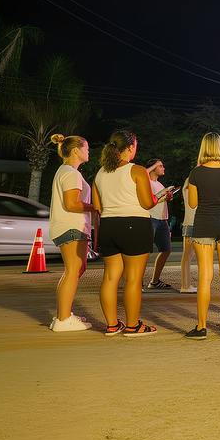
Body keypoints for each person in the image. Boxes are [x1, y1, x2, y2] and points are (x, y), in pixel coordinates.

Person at [92, 129, 159, 337]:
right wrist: (158, 198)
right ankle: (132, 325)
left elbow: (97, 206)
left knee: (110, 278)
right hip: (134, 226)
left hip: (108, 226)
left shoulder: (100, 173)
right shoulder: (137, 170)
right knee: (133, 279)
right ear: (130, 148)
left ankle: (112, 325)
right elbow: (147, 203)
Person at [185, 132, 220, 339]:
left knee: (205, 277)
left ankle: (201, 327)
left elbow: (193, 203)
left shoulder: (196, 173)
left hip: (204, 225)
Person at [48, 133, 95, 332]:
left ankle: (63, 314)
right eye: (86, 148)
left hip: (70, 227)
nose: (89, 151)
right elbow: (71, 204)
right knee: (72, 271)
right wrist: (97, 207)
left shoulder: (66, 171)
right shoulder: (71, 173)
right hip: (71, 227)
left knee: (75, 270)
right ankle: (63, 318)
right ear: (76, 150)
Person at [146, 159, 175, 290]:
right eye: (160, 166)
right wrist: (162, 195)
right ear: (153, 168)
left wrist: (166, 197)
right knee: (144, 252)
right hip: (151, 218)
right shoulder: (146, 182)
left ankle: (155, 281)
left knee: (166, 250)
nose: (163, 168)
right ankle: (135, 280)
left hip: (163, 220)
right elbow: (149, 200)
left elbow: (159, 199)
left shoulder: (159, 184)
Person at [178, 175, 197, 293]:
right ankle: (185, 286)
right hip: (194, 222)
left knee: (188, 255)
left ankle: (186, 285)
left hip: (189, 222)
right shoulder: (193, 181)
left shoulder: (189, 182)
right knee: (189, 255)